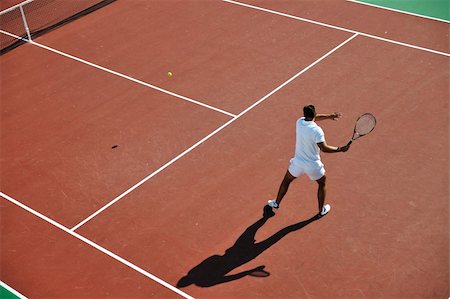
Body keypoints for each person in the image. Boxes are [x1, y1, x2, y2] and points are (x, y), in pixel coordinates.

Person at [267, 104, 350, 217]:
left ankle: (276, 203)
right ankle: (321, 211)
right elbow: (324, 148)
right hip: (313, 165)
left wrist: (329, 116)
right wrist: (340, 149)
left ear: (304, 115)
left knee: (286, 181)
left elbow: (315, 117)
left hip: (297, 163)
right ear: (314, 114)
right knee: (322, 183)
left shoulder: (299, 122)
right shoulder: (317, 131)